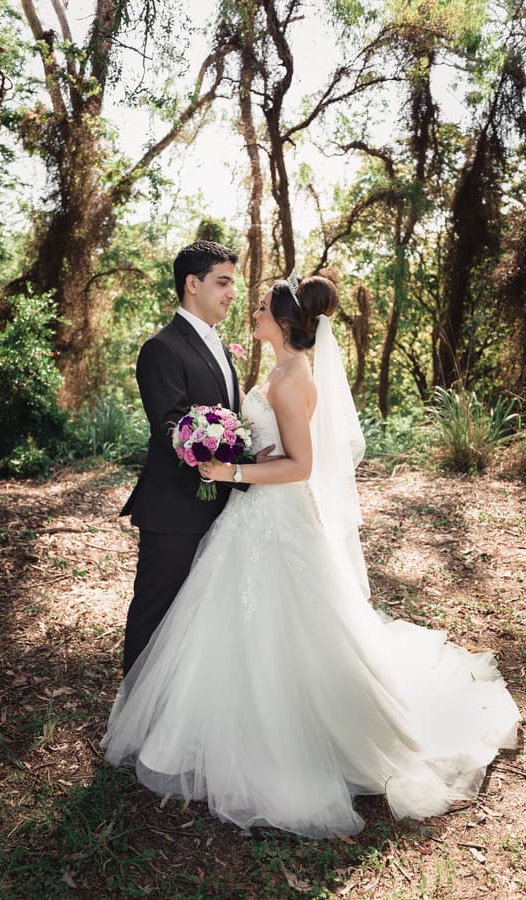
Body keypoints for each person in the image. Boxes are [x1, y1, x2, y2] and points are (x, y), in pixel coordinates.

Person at [103, 272, 519, 838]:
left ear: (282, 320)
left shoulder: (293, 378)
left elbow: (300, 465)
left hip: (276, 519)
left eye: (260, 309)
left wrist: (234, 470)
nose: (251, 314)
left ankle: (286, 740)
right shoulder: (275, 370)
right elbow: (272, 444)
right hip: (249, 518)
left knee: (285, 627)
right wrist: (235, 453)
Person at [120, 240, 275, 676]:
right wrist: (238, 464)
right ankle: (136, 715)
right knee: (156, 611)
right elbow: (173, 427)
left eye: (233, 283)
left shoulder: (219, 347)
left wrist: (252, 461)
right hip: (173, 510)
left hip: (219, 506)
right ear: (192, 283)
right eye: (222, 282)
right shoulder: (162, 348)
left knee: (195, 619)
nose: (232, 293)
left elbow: (229, 415)